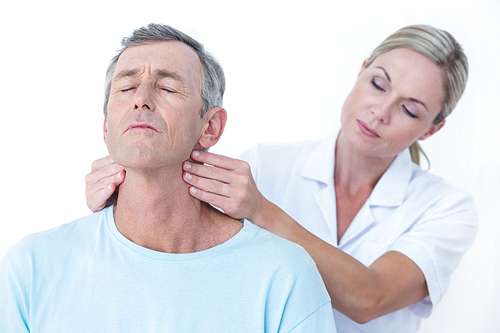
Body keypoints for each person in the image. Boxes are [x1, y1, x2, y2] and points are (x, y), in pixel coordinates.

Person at [85, 25, 478, 332]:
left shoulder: (446, 209)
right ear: (361, 72)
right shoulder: (265, 164)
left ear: (431, 129)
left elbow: (370, 298)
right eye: (378, 84)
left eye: (409, 109)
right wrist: (122, 185)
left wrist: (261, 210)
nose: (380, 111)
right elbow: (172, 222)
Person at [0, 24, 337, 333]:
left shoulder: (283, 276)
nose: (141, 100)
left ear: (210, 127)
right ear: (106, 126)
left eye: (167, 87)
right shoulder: (32, 266)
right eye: (127, 86)